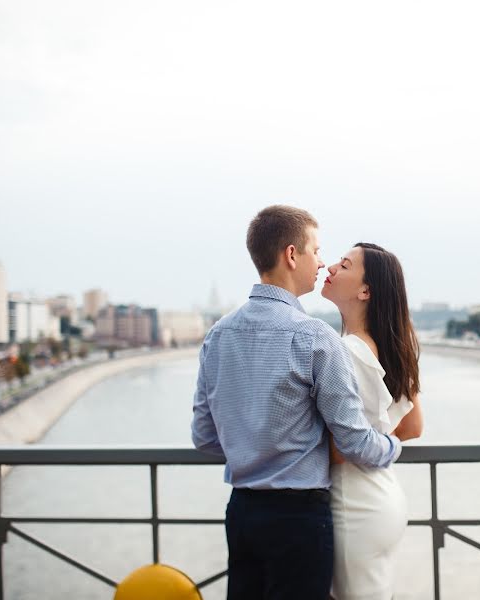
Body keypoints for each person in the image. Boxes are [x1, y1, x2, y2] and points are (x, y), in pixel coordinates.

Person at [191, 206, 402, 600]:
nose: (322, 263)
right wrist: (393, 446)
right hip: (298, 517)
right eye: (316, 251)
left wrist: (250, 445)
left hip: (242, 512)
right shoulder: (314, 337)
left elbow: (204, 437)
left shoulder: (218, 335)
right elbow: (355, 441)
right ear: (291, 255)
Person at [321, 242, 424, 600]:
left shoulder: (347, 352)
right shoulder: (393, 344)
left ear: (366, 291)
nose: (330, 267)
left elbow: (336, 451)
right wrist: (375, 435)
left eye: (344, 265)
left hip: (353, 506)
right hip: (383, 497)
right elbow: (412, 427)